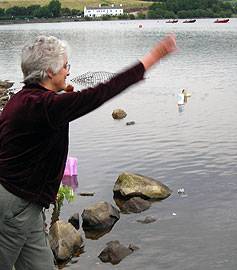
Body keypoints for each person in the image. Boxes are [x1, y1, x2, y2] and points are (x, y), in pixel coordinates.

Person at [0, 34, 176, 270]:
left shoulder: (24, 100)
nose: (68, 72)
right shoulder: (46, 107)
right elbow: (100, 93)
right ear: (49, 72)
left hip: (27, 205)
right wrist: (152, 58)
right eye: (65, 66)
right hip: (14, 205)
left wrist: (61, 97)